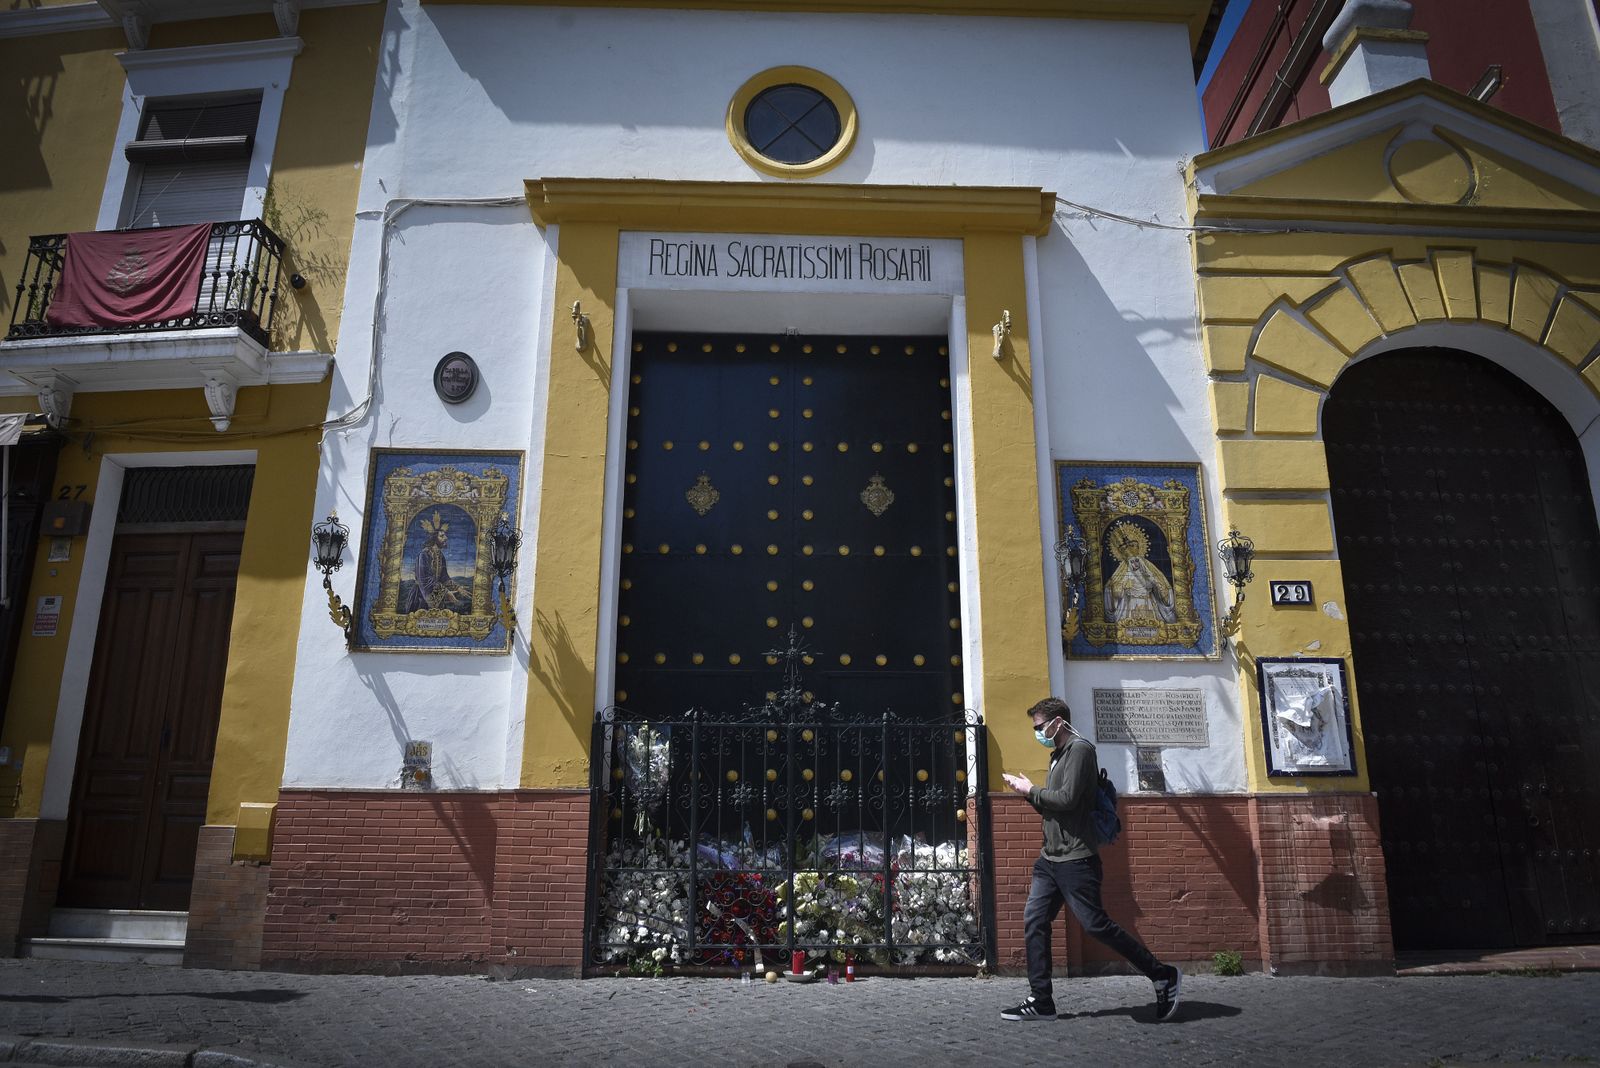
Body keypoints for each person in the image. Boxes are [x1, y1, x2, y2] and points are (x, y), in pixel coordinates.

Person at [998, 696, 1181, 1022]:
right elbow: (1054, 807)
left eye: (1039, 726)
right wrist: (1026, 794)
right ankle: (1042, 1002)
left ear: (1057, 722)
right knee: (1034, 921)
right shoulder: (1058, 756)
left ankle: (1161, 974)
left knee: (1096, 925)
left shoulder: (1081, 751)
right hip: (1050, 858)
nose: (1037, 732)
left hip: (1075, 859)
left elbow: (1067, 800)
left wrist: (1031, 791)